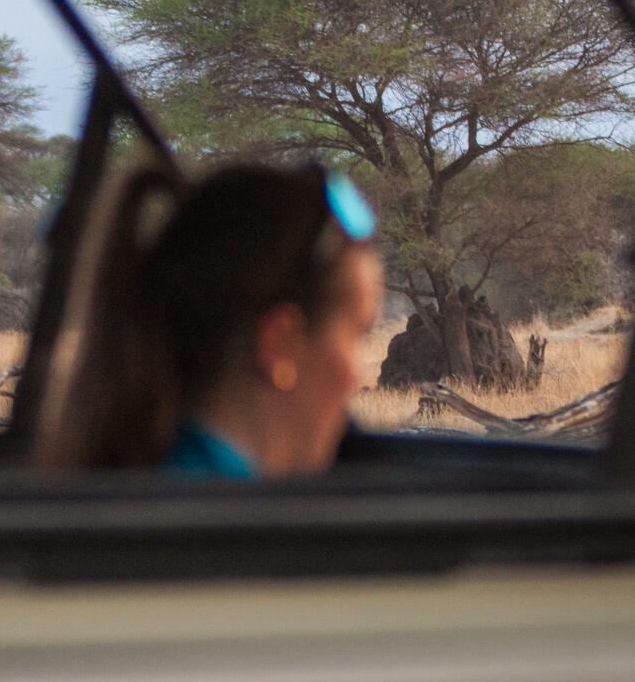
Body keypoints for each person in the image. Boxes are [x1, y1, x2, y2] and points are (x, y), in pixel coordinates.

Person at [34, 161, 385, 477]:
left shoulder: (143, 476)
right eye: (359, 334)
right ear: (281, 343)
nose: (361, 374)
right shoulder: (227, 528)